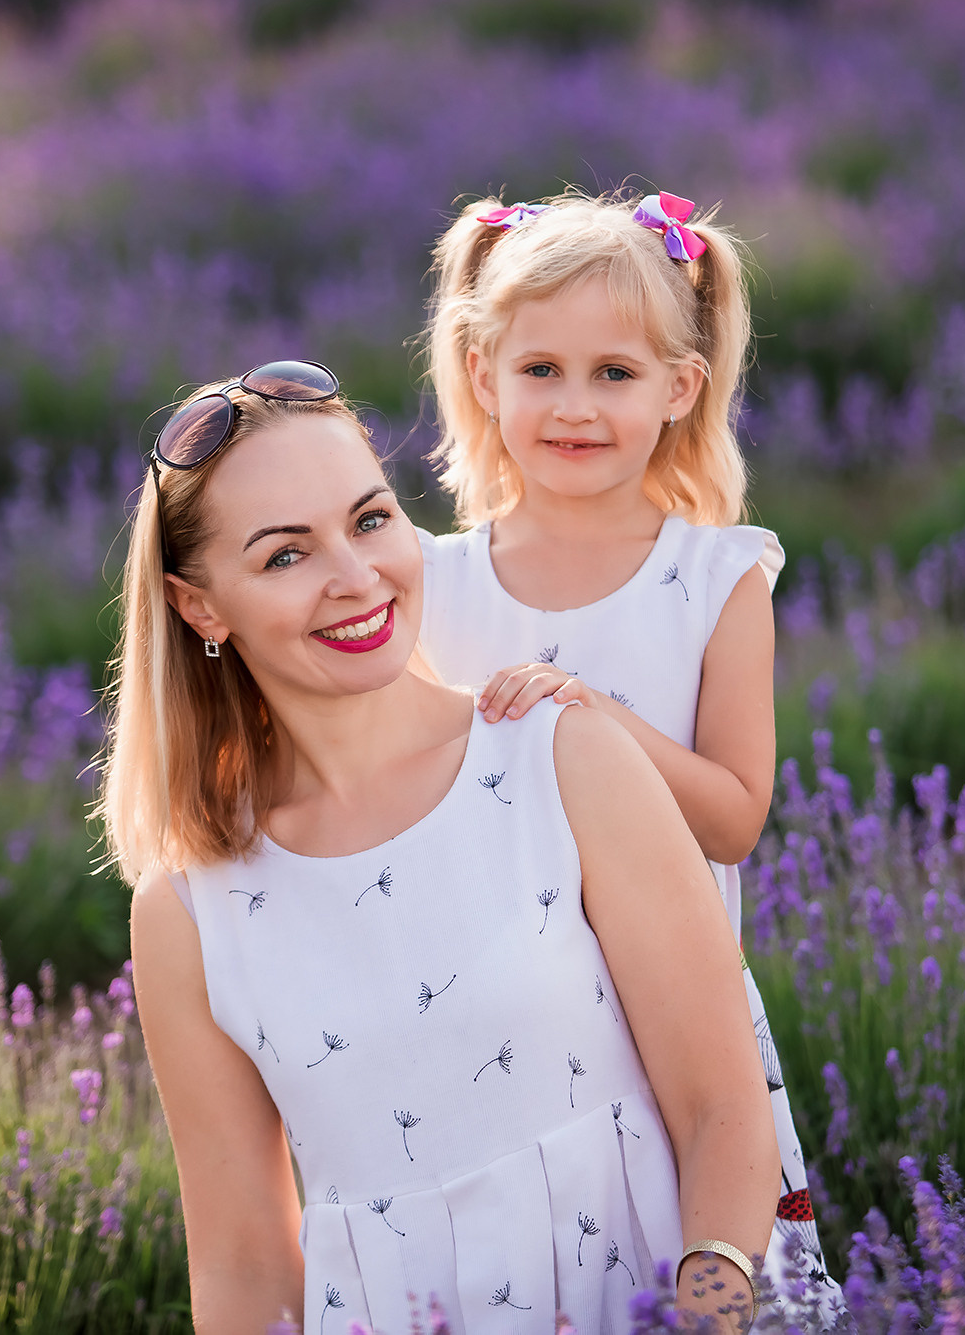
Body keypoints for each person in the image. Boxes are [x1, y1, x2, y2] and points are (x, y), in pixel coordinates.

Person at [102, 359, 779, 1334]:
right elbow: (245, 1265)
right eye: (285, 556)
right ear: (199, 607)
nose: (354, 577)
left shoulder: (561, 758)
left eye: (369, 519)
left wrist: (708, 1318)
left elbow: (724, 1108)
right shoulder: (188, 912)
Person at [419, 191, 842, 1318]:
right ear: (481, 375)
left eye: (614, 374)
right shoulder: (430, 588)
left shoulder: (715, 581)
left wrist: (592, 720)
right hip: (490, 1044)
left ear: (677, 390)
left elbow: (732, 816)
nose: (573, 405)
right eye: (539, 370)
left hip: (673, 1053)